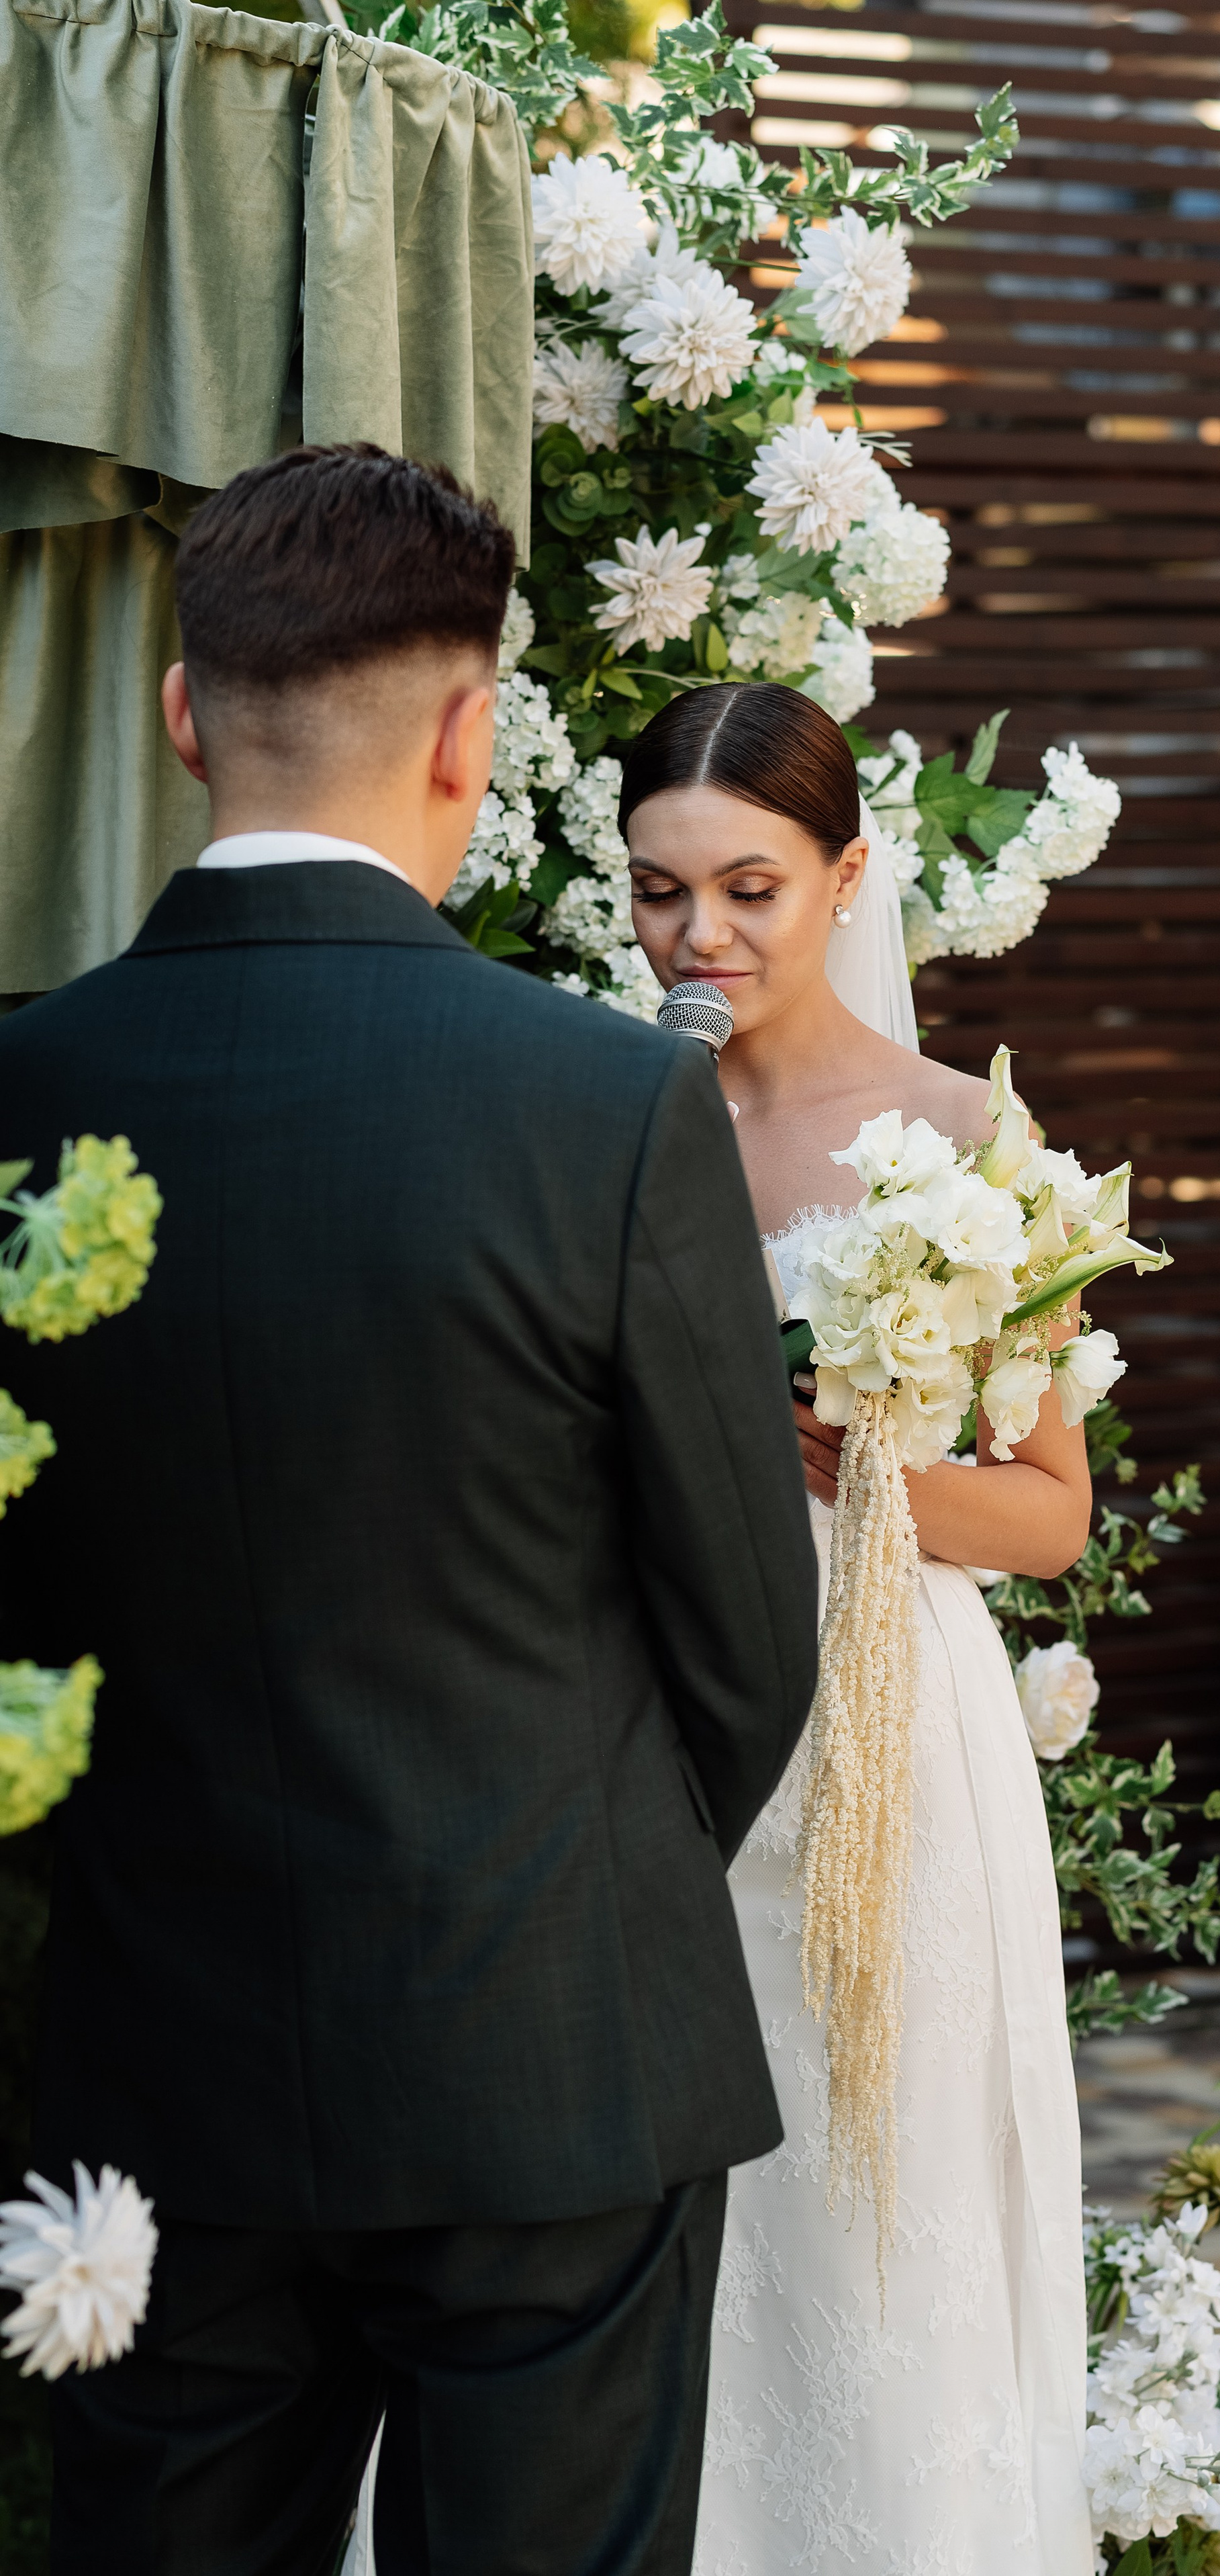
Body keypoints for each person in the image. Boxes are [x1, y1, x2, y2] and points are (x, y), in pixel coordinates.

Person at [0, 450, 820, 2573]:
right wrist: (568, 1885)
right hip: (551, 2058)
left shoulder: (21, 1098)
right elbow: (745, 1636)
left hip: (149, 2068)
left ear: (186, 715)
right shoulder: (608, 1102)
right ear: (472, 734)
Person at [620, 682, 1095, 2576]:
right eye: (662, 892)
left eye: (750, 886)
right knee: (698, 2205)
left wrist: (866, 1468)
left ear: (847, 875)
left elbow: (1051, 1514)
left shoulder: (964, 1135)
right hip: (663, 1734)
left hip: (898, 1731)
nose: (702, 936)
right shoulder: (602, 1111)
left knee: (885, 2190)